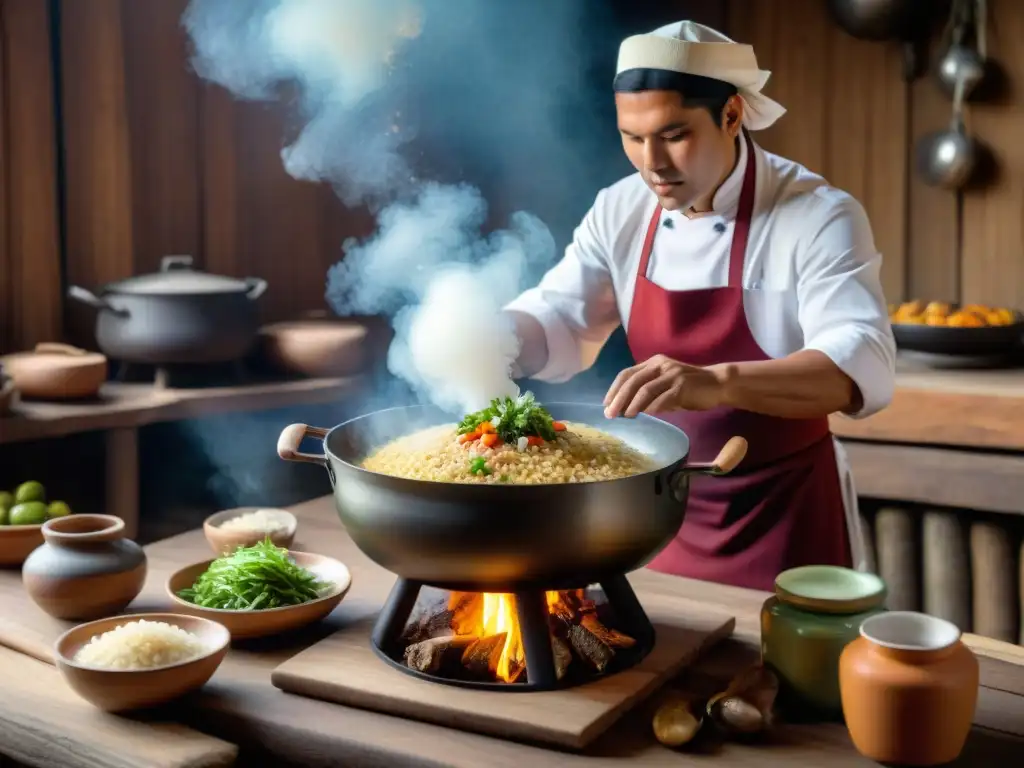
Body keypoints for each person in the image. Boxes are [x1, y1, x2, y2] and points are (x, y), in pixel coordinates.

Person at [503, 21, 897, 591]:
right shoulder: (620, 209)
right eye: (632, 137)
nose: (651, 163)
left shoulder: (817, 216)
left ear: (731, 115)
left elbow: (856, 367)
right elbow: (561, 318)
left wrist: (716, 382)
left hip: (783, 512)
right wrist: (492, 337)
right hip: (658, 515)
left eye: (673, 134)